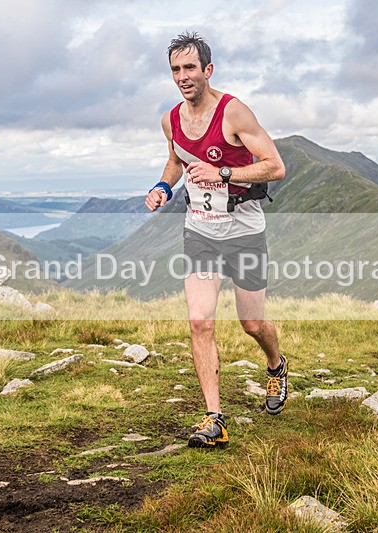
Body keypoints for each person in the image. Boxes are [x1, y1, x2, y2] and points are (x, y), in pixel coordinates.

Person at [145, 31, 289, 448]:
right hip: (201, 230)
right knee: (199, 321)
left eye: (190, 68)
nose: (183, 77)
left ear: (208, 70)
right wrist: (163, 186)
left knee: (252, 323)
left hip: (244, 230)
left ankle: (276, 365)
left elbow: (275, 166)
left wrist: (223, 173)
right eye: (176, 69)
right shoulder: (171, 120)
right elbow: (176, 161)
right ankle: (214, 420)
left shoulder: (234, 112)